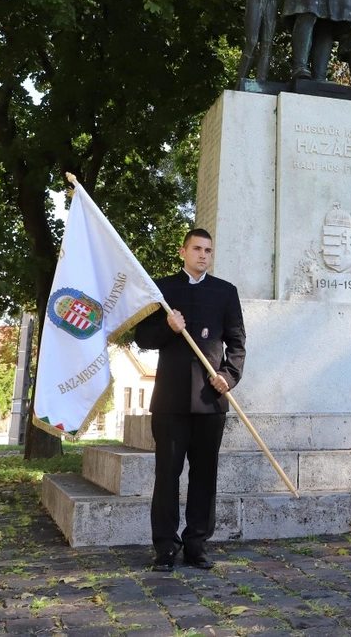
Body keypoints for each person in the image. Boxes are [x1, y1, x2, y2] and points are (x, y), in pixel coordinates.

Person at [134, 229, 246, 571]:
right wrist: (167, 325)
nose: (202, 255)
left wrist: (227, 376)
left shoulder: (225, 292)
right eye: (196, 248)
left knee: (204, 475)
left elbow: (237, 343)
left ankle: (196, 543)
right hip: (170, 401)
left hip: (211, 401)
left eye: (208, 250)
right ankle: (165, 547)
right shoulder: (162, 290)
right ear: (183, 251)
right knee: (167, 474)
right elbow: (142, 338)